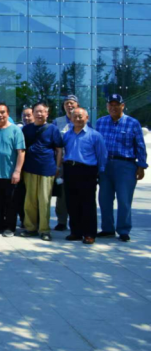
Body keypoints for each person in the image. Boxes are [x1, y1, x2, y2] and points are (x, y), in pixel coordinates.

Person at [96, 94, 147, 242]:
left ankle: (123, 230)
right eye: (110, 105)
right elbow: (96, 145)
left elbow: (140, 146)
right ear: (107, 106)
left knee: (124, 200)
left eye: (116, 105)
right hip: (105, 165)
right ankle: (107, 229)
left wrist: (141, 166)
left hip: (125, 165)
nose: (113, 107)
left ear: (122, 106)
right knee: (104, 199)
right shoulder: (100, 122)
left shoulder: (132, 123)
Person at [63, 108, 107, 244]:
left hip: (87, 171)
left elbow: (102, 155)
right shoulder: (67, 135)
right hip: (70, 169)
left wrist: (100, 172)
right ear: (71, 118)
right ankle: (75, 232)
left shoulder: (95, 135)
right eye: (75, 116)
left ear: (87, 118)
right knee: (72, 202)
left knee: (87, 203)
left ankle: (89, 233)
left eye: (80, 116)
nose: (77, 119)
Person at [20, 102, 64, 241]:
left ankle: (44, 229)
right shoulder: (26, 129)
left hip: (47, 168)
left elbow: (59, 150)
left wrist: (57, 167)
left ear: (47, 113)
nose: (39, 114)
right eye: (37, 111)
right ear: (32, 113)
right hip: (29, 168)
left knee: (44, 200)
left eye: (42, 111)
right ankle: (30, 228)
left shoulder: (53, 129)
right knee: (30, 200)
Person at [0, 102, 25, 237]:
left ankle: (10, 227)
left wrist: (17, 171)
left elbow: (21, 152)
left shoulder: (16, 130)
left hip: (10, 174)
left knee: (11, 202)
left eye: (3, 112)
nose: (0, 115)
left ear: (8, 113)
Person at [52, 94, 82, 232]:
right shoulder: (57, 122)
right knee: (62, 195)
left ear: (77, 105)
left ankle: (77, 222)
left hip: (79, 164)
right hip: (62, 163)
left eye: (72, 103)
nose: (69, 105)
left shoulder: (83, 120)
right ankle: (62, 221)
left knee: (77, 193)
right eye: (66, 104)